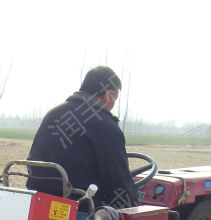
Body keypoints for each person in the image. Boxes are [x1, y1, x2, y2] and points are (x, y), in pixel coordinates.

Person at [27, 66, 137, 208]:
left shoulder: (54, 114)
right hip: (82, 206)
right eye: (114, 98)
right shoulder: (105, 125)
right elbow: (118, 179)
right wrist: (134, 205)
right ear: (108, 95)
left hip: (41, 200)